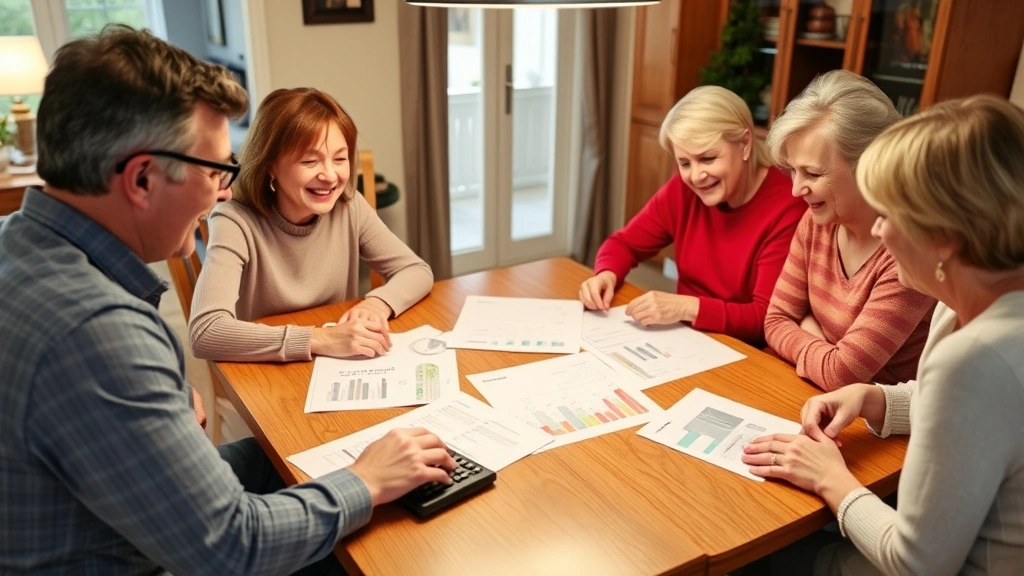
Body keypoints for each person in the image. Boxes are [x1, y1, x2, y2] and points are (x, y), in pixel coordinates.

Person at [0, 26, 454, 575]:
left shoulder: (18, 245)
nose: (222, 190)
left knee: (277, 464)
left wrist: (155, 392)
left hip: (107, 521)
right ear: (142, 178)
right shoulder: (97, 331)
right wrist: (366, 479)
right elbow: (233, 545)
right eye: (215, 170)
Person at [742, 95, 1024, 574]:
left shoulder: (973, 359)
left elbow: (916, 563)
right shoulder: (965, 308)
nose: (880, 230)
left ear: (945, 237)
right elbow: (964, 409)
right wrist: (873, 398)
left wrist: (830, 478)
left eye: (890, 214)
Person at [189, 87, 432, 363]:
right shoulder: (234, 219)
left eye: (340, 159)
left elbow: (416, 270)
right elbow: (206, 332)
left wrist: (377, 303)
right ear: (270, 165)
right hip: (266, 370)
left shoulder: (349, 206)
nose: (330, 175)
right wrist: (319, 338)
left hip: (339, 361)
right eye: (309, 161)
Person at [579, 86, 805, 343]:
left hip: (745, 352)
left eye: (708, 158)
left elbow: (765, 319)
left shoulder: (788, 206)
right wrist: (606, 273)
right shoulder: (683, 190)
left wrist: (685, 308)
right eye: (685, 163)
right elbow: (624, 243)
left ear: (744, 144)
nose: (696, 176)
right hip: (686, 340)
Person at [763, 71, 934, 391]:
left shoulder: (907, 250)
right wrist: (825, 352)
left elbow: (841, 374)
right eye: (793, 171)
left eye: (812, 173)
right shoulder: (817, 222)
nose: (796, 190)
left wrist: (808, 331)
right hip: (812, 394)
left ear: (870, 164)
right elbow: (774, 321)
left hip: (879, 426)